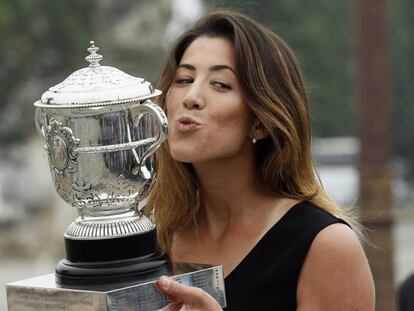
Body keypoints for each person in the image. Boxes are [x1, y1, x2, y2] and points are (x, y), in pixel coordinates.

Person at [148, 10, 375, 310]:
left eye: (220, 84)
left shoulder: (323, 246)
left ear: (260, 122)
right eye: (184, 79)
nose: (192, 96)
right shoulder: (153, 240)